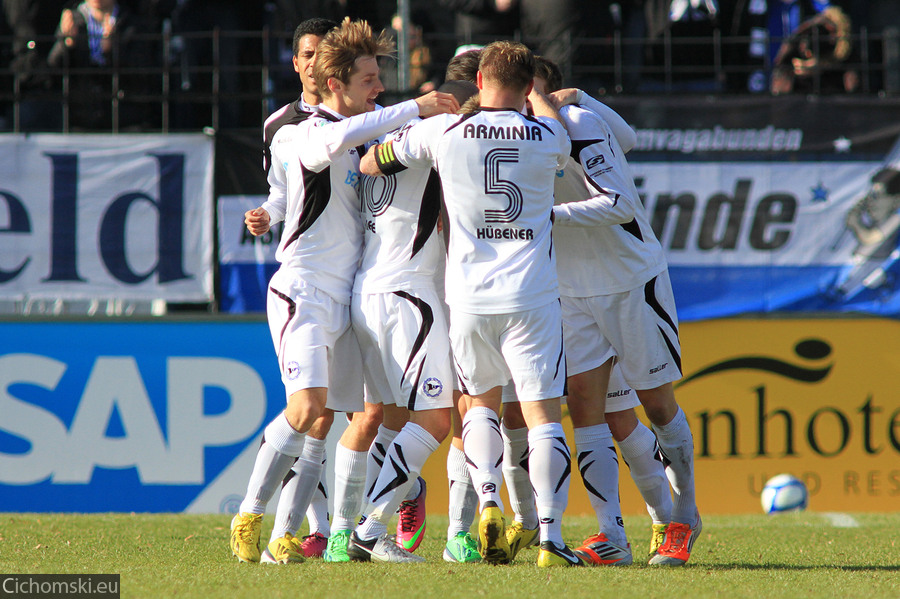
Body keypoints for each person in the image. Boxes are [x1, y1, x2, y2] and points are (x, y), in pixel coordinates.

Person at [229, 17, 458, 564]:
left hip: (350, 293)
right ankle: (249, 513)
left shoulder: (372, 130)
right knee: (306, 408)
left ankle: (292, 536)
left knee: (333, 419)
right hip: (302, 288)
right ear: (337, 85)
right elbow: (326, 147)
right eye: (369, 79)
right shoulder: (300, 131)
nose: (380, 88)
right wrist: (415, 108)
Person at [362, 40, 581, 568]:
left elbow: (373, 162)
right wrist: (545, 102)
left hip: (468, 296)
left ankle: (487, 503)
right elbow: (564, 136)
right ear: (528, 87)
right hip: (532, 293)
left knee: (479, 405)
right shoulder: (547, 131)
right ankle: (550, 537)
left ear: (479, 80)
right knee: (542, 415)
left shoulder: (443, 131)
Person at [534, 56, 702, 567]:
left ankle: (684, 516)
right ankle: (612, 535)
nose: (525, 103)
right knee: (588, 407)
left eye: (533, 92)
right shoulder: (516, 135)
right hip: (571, 289)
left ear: (549, 93)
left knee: (655, 405)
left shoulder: (579, 124)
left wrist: (582, 101)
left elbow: (620, 202)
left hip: (631, 281)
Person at [343, 79, 477, 564]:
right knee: (438, 416)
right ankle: (368, 526)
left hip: (370, 289)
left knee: (391, 421)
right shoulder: (442, 132)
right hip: (408, 294)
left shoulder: (391, 138)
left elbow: (364, 163)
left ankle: (359, 525)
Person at [46, 0, 150, 130]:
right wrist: (67, 44)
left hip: (123, 118)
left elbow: (141, 72)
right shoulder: (73, 19)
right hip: (80, 117)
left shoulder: (131, 23)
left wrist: (111, 52)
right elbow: (54, 69)